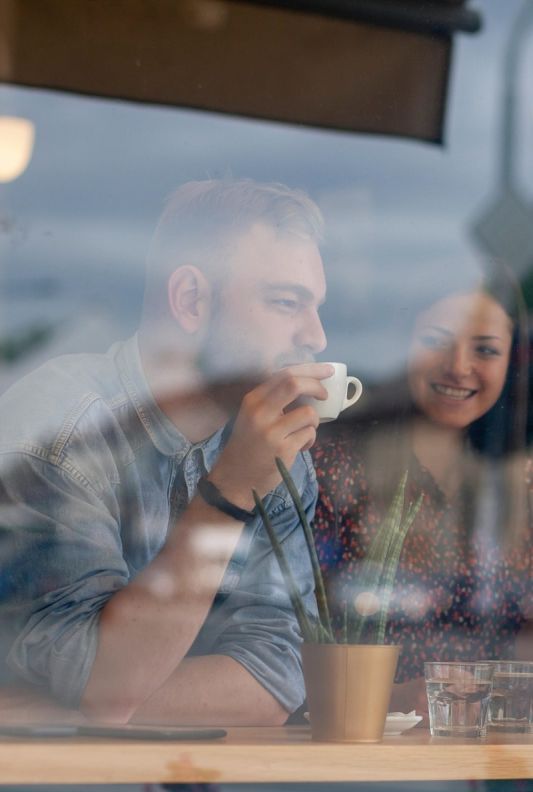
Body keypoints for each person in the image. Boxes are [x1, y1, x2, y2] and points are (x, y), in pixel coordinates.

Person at [0, 178, 332, 725]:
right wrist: (228, 495)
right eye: (286, 302)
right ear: (191, 300)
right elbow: (103, 677)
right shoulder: (58, 431)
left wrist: (79, 708)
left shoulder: (277, 452)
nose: (316, 335)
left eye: (316, 306)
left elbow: (277, 676)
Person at [312, 270, 532, 718]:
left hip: (488, 752)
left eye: (486, 349)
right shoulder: (335, 467)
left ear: (512, 361)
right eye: (437, 340)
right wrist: (388, 699)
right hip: (360, 745)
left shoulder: (515, 484)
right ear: (401, 345)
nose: (458, 366)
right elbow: (283, 640)